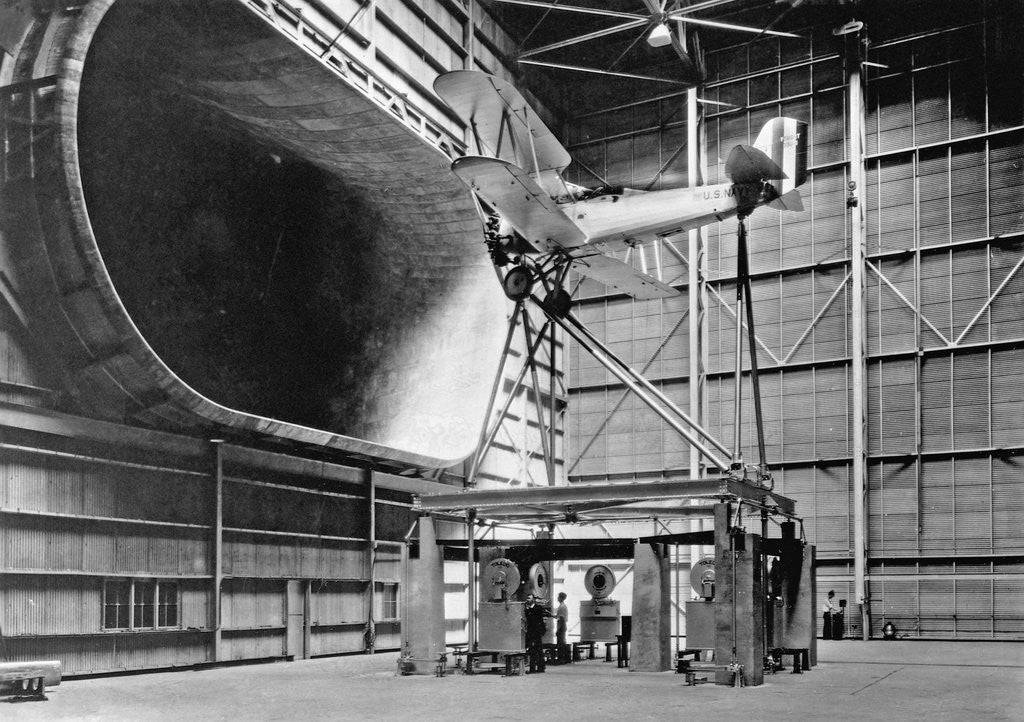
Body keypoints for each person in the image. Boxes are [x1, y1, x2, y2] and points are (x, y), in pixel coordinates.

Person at [524, 593, 552, 673]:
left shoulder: (537, 608)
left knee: (535, 651)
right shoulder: (529, 609)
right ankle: (540, 667)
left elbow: (532, 619)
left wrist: (528, 610)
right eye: (527, 598)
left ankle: (535, 668)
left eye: (529, 598)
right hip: (532, 632)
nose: (527, 600)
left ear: (533, 600)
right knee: (536, 650)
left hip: (535, 632)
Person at [555, 592, 569, 662]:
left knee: (560, 642)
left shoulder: (562, 607)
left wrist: (557, 629)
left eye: (558, 596)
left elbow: (561, 619)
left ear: (560, 598)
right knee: (562, 641)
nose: (557, 598)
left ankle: (561, 658)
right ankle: (562, 658)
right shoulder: (563, 606)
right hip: (562, 625)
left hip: (561, 625)